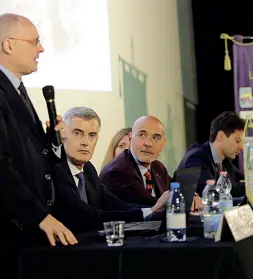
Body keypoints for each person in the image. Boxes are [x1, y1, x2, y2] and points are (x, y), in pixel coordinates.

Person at [0, 13, 77, 277]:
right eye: (34, 42)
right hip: (11, 235)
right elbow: (2, 167)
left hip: (29, 233)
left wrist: (50, 143)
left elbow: (26, 155)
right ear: (9, 45)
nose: (41, 48)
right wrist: (39, 217)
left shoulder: (17, 89)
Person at [52, 107, 169, 232]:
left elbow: (118, 205)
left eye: (92, 135)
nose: (85, 142)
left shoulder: (88, 170)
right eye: (77, 133)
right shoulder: (55, 169)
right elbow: (88, 216)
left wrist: (153, 211)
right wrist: (151, 211)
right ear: (62, 135)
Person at [99, 116, 202, 210]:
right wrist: (184, 199)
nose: (148, 143)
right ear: (130, 138)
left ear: (163, 144)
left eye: (156, 137)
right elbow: (151, 204)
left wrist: (192, 195)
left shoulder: (157, 166)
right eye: (142, 135)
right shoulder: (117, 171)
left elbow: (176, 187)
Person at [177, 111, 245, 197]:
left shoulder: (225, 161)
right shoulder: (196, 157)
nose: (241, 147)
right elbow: (213, 193)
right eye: (237, 141)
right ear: (221, 136)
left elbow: (243, 181)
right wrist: (241, 186)